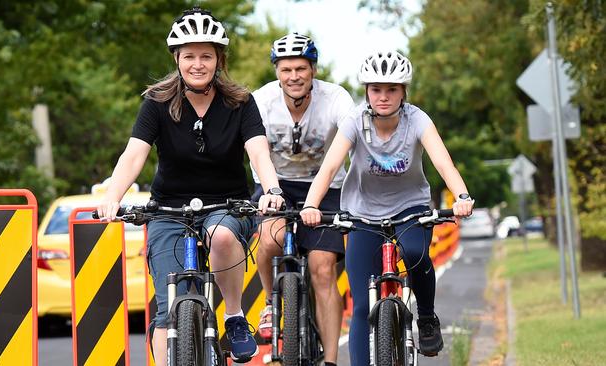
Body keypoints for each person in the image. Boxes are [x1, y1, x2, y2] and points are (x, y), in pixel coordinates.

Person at [95, 7, 284, 365]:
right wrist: (111, 197)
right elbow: (134, 156)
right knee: (168, 310)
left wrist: (271, 190)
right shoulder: (157, 103)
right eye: (190, 56)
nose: (198, 64)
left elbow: (258, 152)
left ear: (219, 60)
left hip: (227, 206)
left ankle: (233, 315)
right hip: (168, 210)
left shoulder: (241, 103)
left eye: (206, 56)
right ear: (177, 60)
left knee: (223, 236)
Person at [299, 49, 474, 365]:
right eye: (376, 89)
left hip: (410, 208)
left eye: (391, 89)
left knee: (415, 253)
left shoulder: (417, 120)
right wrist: (311, 205)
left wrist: (461, 197)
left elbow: (444, 163)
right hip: (362, 212)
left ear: (404, 91)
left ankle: (427, 316)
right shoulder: (354, 120)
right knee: (362, 306)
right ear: (366, 91)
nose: (383, 96)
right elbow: (328, 168)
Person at [251, 32, 355, 366]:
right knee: (269, 239)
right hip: (275, 184)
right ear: (277, 72)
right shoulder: (261, 102)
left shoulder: (336, 98)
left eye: (300, 68)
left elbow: (349, 142)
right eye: (286, 69)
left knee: (322, 268)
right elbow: (254, 151)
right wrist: (271, 192)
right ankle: (270, 304)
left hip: (327, 188)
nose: (293, 76)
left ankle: (331, 360)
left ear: (312, 69)